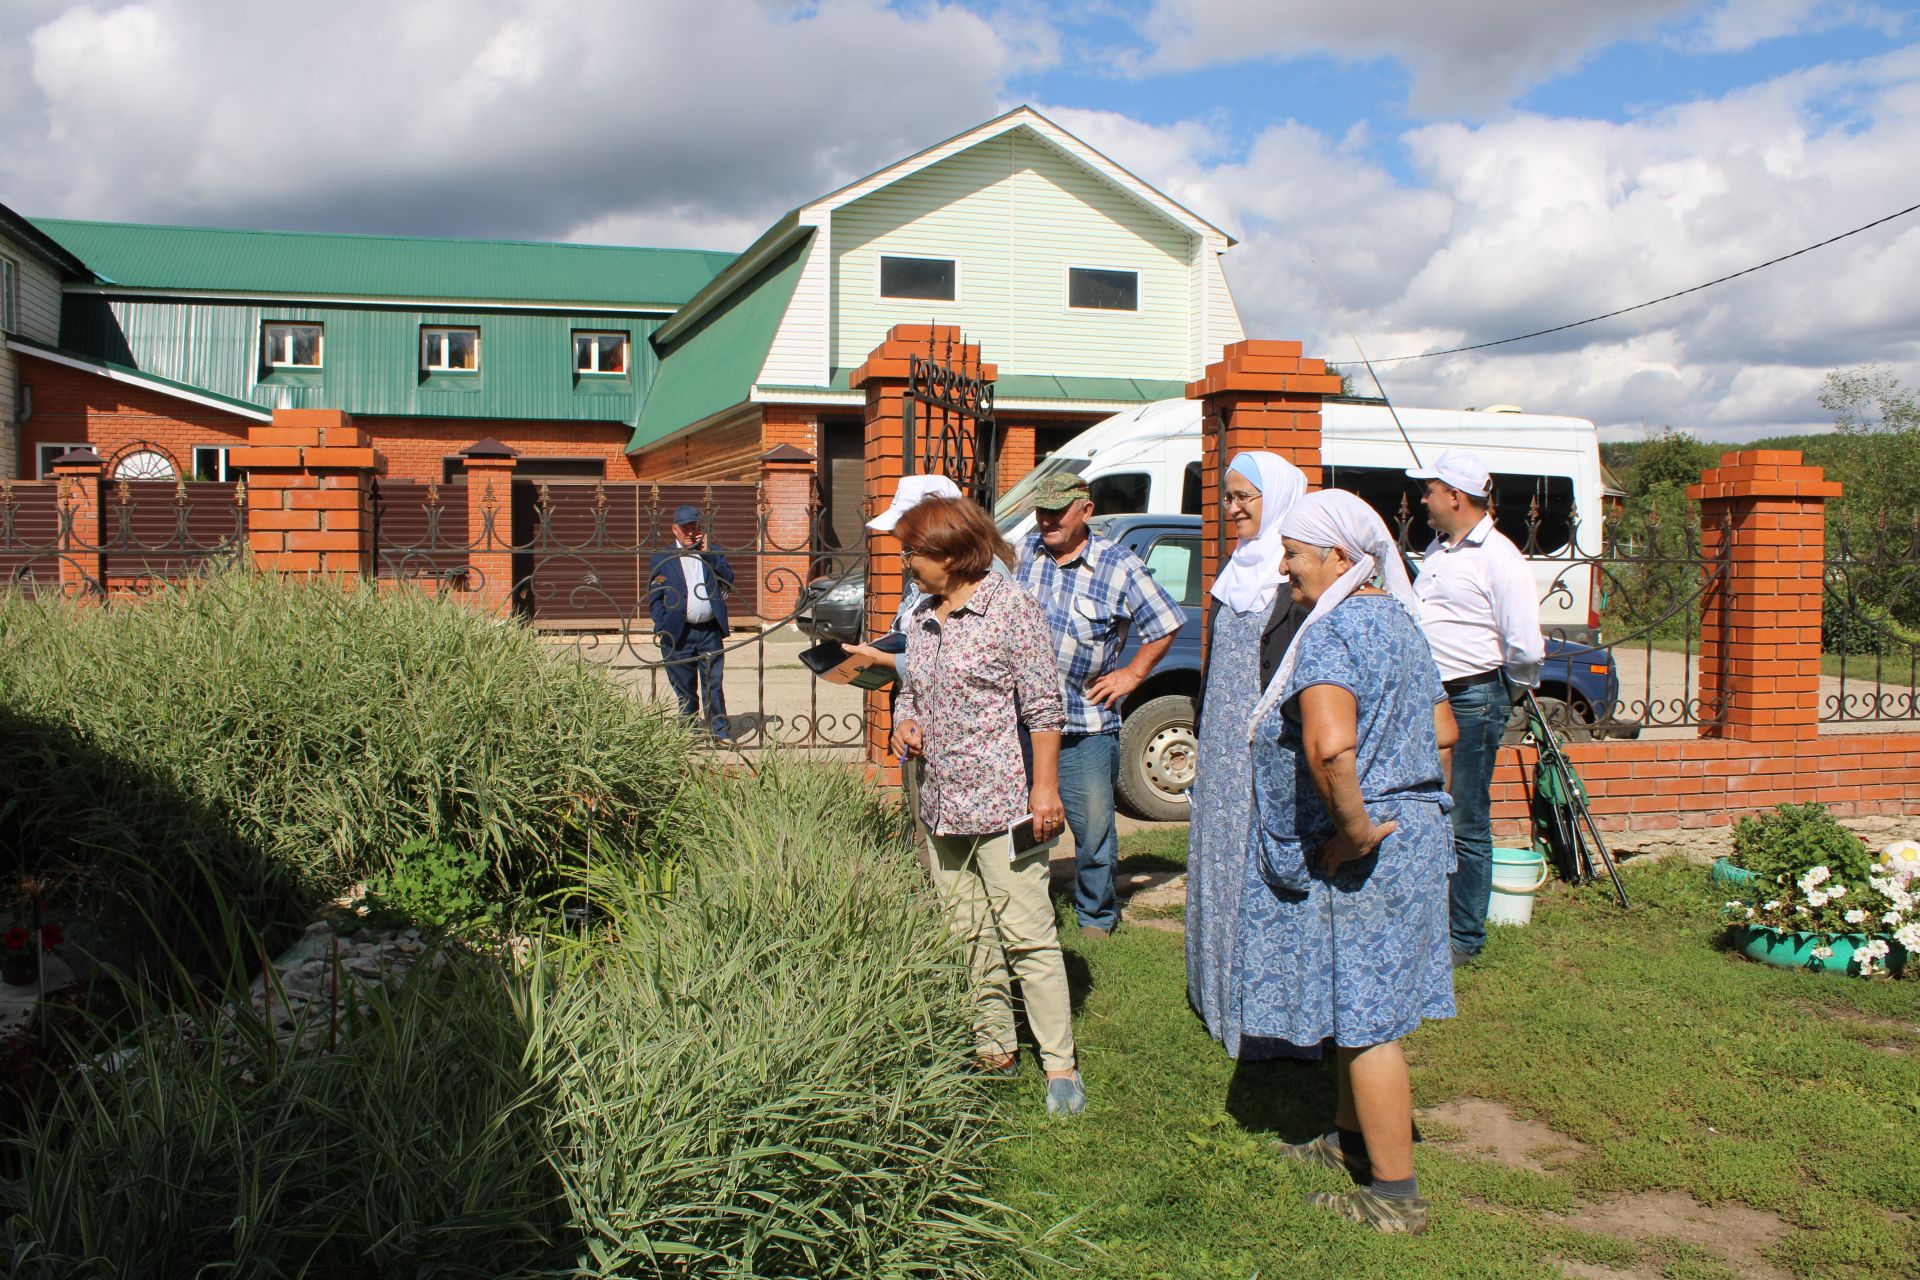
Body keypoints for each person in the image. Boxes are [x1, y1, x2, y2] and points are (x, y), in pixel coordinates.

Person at [1246, 488, 1458, 1235]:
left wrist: (1361, 829)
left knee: (1370, 1022)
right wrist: (1420, 813)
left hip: (1377, 846)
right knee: (1358, 999)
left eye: (1295, 553)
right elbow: (1445, 730)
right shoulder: (1399, 620)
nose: (1284, 567)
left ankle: (1395, 1195)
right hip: (1418, 830)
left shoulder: (1332, 635)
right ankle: (1347, 1139)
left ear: (1340, 556)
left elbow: (1330, 746)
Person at [890, 495, 1086, 1117]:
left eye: (914, 553)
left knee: (1027, 933)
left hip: (1003, 802)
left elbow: (1044, 709)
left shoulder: (1010, 610)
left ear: (952, 554)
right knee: (967, 932)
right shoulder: (922, 614)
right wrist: (906, 720)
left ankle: (1059, 1065)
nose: (906, 565)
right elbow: (912, 691)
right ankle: (994, 1046)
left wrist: (1045, 789)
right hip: (940, 802)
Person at [1016, 472, 1184, 939]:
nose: (1046, 519)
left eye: (1057, 511)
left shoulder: (1118, 566)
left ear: (1085, 511)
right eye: (1041, 510)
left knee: (1093, 830)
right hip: (1024, 722)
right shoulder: (1027, 551)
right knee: (1025, 825)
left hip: (1084, 723)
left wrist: (1132, 674)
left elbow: (1166, 622)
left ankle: (1095, 916)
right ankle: (1031, 911)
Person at [1186, 451, 1310, 1058]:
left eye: (1245, 498)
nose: (1232, 508)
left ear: (1277, 499)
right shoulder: (1236, 570)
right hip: (1223, 751)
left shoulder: (1295, 581)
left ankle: (1266, 1015)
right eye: (1228, 497)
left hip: (1270, 749)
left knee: (1261, 862)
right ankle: (1218, 993)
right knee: (1220, 856)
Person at [1403, 449, 1543, 967]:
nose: (1423, 500)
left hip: (1472, 695)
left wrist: (1504, 694)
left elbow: (1525, 647)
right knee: (1426, 808)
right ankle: (1428, 920)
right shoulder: (1440, 552)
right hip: (1431, 695)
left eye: (1430, 491)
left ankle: (1463, 937)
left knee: (1464, 815)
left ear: (1455, 497)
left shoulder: (1499, 558)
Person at [648, 503, 734, 741]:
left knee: (713, 684)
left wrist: (709, 556)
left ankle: (720, 732)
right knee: (684, 688)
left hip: (709, 630)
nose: (689, 533)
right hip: (679, 631)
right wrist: (662, 625)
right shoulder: (662, 557)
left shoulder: (712, 552)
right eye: (684, 528)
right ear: (674, 529)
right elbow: (654, 596)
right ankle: (690, 733)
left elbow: (728, 579)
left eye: (693, 527)